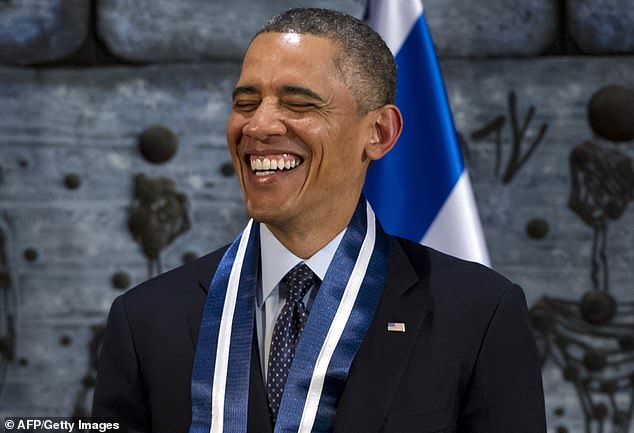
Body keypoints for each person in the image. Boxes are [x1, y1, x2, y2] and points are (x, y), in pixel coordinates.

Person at [93, 8, 546, 433]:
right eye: (246, 102)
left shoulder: (479, 315)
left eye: (298, 104)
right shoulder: (144, 319)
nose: (259, 125)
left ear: (379, 132)